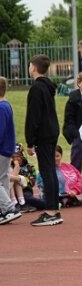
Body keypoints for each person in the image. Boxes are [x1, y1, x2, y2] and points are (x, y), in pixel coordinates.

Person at [25, 55, 62, 226]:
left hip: (43, 134)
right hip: (52, 131)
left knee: (47, 172)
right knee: (50, 171)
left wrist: (30, 141)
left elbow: (33, 116)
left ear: (33, 68)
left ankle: (50, 211)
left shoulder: (36, 89)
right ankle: (54, 209)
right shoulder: (48, 87)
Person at [0, 77, 22, 225]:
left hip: (2, 149)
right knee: (3, 179)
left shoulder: (1, 107)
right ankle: (4, 210)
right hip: (6, 149)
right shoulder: (6, 105)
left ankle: (9, 208)